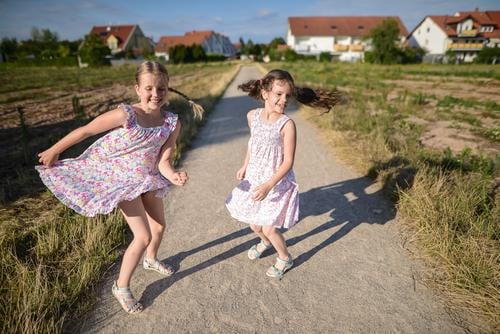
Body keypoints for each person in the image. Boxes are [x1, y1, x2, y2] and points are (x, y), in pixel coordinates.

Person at [36, 61, 203, 314]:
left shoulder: (171, 123)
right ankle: (121, 286)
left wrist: (174, 175)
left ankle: (150, 259)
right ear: (137, 89)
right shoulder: (127, 115)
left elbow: (164, 160)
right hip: (121, 181)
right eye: (149, 88)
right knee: (143, 235)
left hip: (147, 178)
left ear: (168, 89)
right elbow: (85, 131)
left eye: (161, 89)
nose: (155, 94)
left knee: (159, 226)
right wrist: (54, 150)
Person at [225, 69, 344, 279]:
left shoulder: (287, 125)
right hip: (256, 178)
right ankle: (264, 242)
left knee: (269, 228)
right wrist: (244, 166)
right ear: (265, 93)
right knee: (254, 224)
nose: (283, 100)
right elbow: (253, 144)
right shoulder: (252, 116)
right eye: (278, 94)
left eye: (287, 95)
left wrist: (269, 185)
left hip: (275, 182)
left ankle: (285, 257)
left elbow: (288, 161)